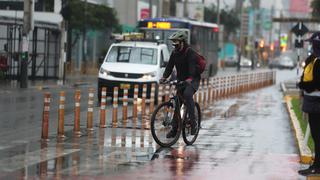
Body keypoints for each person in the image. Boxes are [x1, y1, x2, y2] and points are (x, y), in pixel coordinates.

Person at [160, 30, 201, 138]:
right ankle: (174, 129)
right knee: (178, 102)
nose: (175, 45)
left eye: (176, 43)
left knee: (187, 95)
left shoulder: (190, 52)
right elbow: (169, 66)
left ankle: (193, 123)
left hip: (192, 80)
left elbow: (192, 68)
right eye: (173, 43)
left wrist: (190, 78)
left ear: (182, 42)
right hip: (181, 80)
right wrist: (164, 77)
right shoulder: (174, 53)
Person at [298, 32, 320, 176]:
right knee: (316, 134)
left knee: (318, 136)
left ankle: (317, 166)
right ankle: (316, 163)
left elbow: (317, 83)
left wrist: (303, 85)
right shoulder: (313, 59)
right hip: (312, 104)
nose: (311, 46)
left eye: (313, 43)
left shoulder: (319, 61)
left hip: (317, 104)